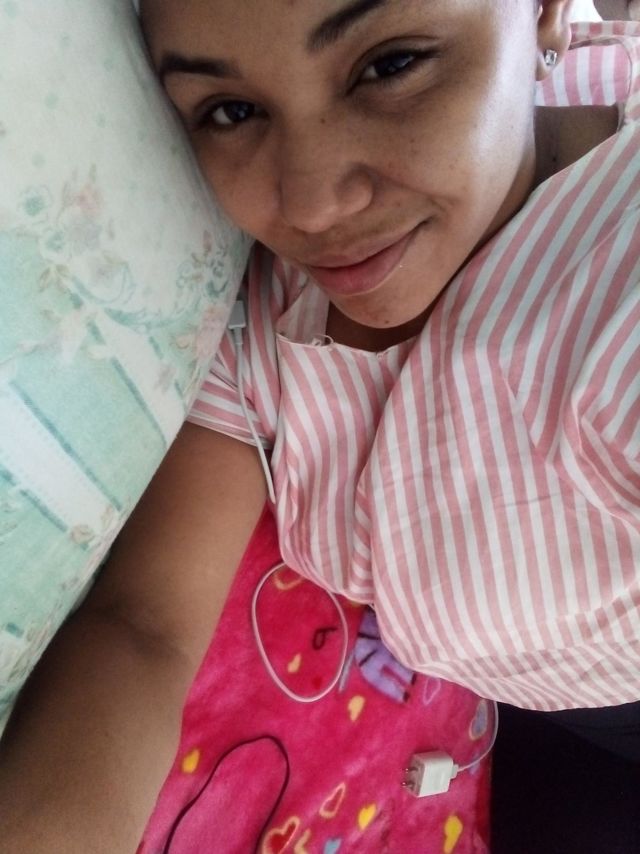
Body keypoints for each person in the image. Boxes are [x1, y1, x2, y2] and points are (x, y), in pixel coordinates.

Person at [0, 1, 638, 852]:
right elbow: (144, 626)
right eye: (232, 110)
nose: (309, 204)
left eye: (391, 66)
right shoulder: (253, 307)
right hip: (521, 703)